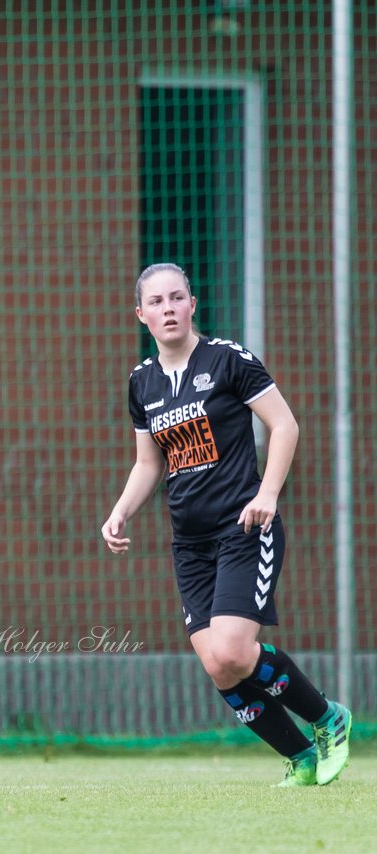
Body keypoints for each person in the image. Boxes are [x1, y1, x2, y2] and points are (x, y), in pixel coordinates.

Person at [101, 262, 353, 787]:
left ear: (193, 304)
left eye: (177, 298)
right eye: (157, 302)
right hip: (189, 545)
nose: (168, 309)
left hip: (244, 531)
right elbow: (149, 464)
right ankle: (301, 757)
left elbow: (285, 424)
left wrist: (267, 493)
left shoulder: (227, 360)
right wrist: (120, 510)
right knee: (218, 665)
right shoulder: (142, 382)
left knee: (235, 651)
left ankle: (329, 717)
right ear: (141, 314)